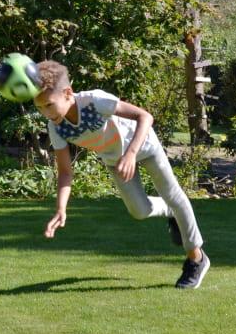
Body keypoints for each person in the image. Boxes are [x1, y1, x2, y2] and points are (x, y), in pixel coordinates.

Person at [32, 60, 209, 289]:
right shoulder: (55, 127)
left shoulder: (94, 101)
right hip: (115, 160)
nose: (46, 113)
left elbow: (145, 116)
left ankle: (197, 258)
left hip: (144, 146)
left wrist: (131, 153)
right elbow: (66, 172)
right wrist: (61, 209)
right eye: (40, 108)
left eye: (49, 104)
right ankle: (170, 211)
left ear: (67, 93)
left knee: (173, 194)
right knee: (139, 211)